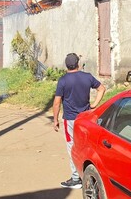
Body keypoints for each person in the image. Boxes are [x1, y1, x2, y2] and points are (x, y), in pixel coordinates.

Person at [53, 53, 105, 189]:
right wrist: (94, 105)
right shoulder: (87, 77)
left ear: (66, 65)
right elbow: (101, 88)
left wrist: (55, 120)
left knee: (72, 146)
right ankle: (91, 175)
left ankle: (76, 178)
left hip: (70, 119)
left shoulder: (63, 80)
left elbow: (57, 102)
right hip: (86, 118)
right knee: (88, 145)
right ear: (78, 64)